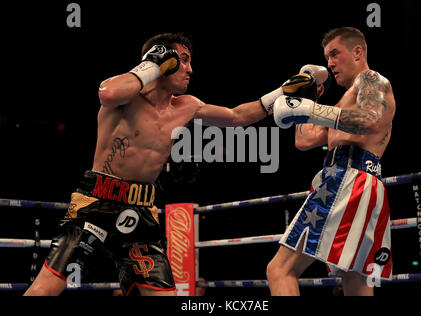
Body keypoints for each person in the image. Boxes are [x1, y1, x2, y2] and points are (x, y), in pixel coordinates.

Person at [24, 32, 306, 296]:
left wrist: (283, 92)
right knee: (46, 289)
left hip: (141, 212)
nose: (190, 69)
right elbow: (107, 92)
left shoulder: (187, 106)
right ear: (164, 62)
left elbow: (236, 117)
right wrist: (150, 64)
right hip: (95, 202)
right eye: (183, 60)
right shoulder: (126, 97)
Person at [267, 27, 396, 296]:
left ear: (357, 52)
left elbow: (371, 119)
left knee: (280, 270)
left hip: (347, 179)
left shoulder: (372, 81)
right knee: (355, 281)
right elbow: (303, 141)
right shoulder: (343, 103)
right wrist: (308, 94)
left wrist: (312, 110)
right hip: (364, 184)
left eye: (335, 54)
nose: (330, 63)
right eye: (327, 57)